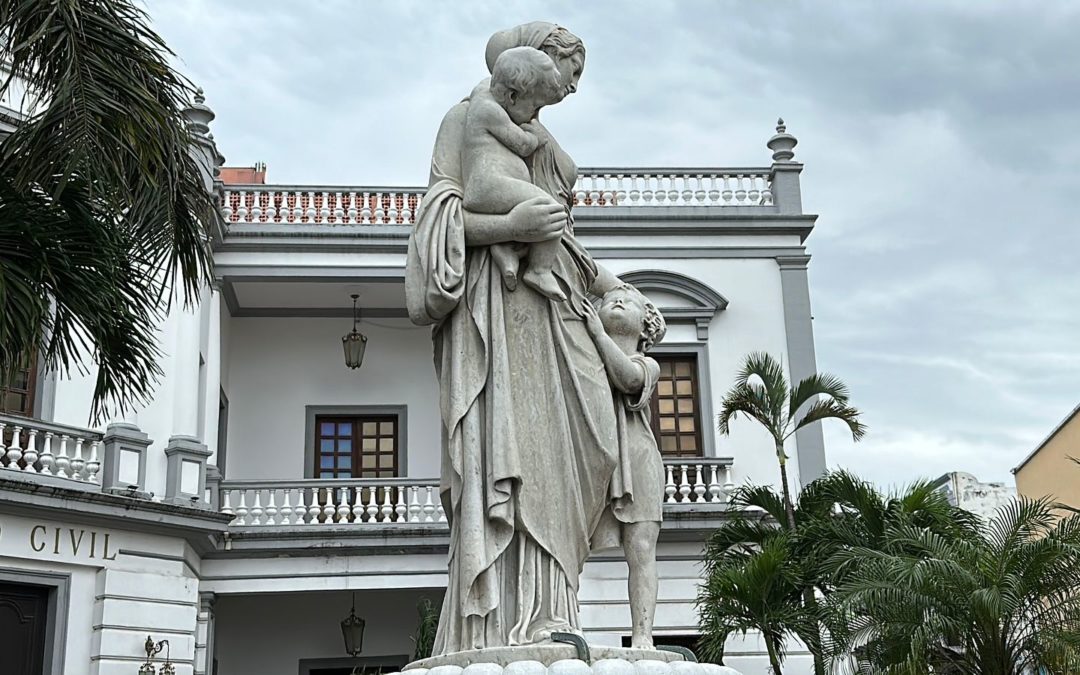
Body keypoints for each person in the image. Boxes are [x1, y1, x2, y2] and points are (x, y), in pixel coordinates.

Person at [406, 22, 629, 653]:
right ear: (528, 66)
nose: (575, 87)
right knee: (512, 457)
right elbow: (437, 219)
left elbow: (567, 234)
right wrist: (509, 224)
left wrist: (614, 287)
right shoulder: (469, 116)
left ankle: (553, 606)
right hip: (496, 317)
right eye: (570, 71)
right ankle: (510, 621)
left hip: (556, 307)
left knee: (585, 445)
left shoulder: (538, 131)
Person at [581, 286, 667, 649]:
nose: (617, 301)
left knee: (642, 548)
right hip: (592, 453)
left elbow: (628, 379)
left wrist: (597, 333)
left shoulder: (648, 363)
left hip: (638, 457)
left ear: (645, 326)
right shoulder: (582, 354)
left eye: (629, 301)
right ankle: (565, 621)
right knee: (570, 541)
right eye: (610, 299)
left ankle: (643, 635)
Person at [462, 46, 568, 300]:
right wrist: (535, 138)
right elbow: (521, 144)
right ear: (511, 97)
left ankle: (506, 252)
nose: (534, 116)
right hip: (489, 186)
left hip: (497, 188)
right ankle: (539, 270)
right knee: (551, 209)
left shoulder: (486, 96)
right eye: (534, 107)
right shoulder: (489, 111)